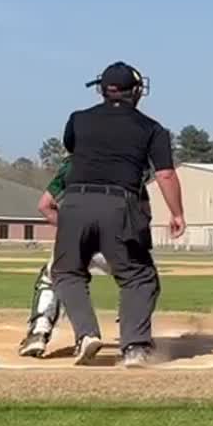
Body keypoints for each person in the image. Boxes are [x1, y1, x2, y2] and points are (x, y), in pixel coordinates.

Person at [50, 62, 185, 368]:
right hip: (120, 205)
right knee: (139, 276)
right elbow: (165, 175)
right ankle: (135, 347)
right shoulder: (152, 128)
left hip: (74, 203)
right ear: (136, 91)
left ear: (102, 89)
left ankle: (86, 334)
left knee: (67, 272)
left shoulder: (78, 120)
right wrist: (177, 213)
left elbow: (73, 150)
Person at [19, 155, 114, 358]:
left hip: (78, 239)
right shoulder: (129, 162)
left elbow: (44, 205)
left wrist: (71, 228)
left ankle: (39, 332)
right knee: (138, 279)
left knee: (51, 277)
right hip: (119, 240)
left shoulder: (74, 163)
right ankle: (138, 340)